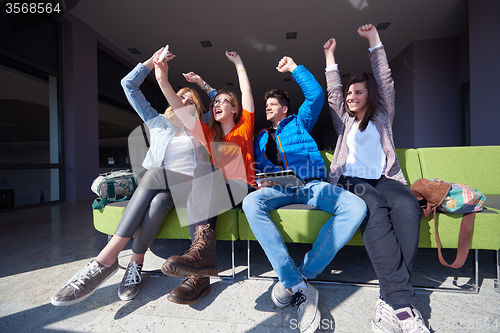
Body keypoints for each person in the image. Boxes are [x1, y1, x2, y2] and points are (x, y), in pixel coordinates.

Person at [51, 48, 207, 306]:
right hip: (158, 189)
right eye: (180, 97)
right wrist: (151, 62)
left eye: (190, 101)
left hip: (186, 186)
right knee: (157, 201)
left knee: (155, 173)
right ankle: (135, 265)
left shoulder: (199, 128)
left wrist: (176, 82)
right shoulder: (156, 121)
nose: (184, 102)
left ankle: (106, 259)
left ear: (197, 109)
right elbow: (128, 85)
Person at [242, 56, 367, 333]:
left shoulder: (300, 122)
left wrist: (294, 69)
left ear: (285, 109)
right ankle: (294, 281)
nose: (267, 108)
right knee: (251, 202)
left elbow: (316, 94)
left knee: (356, 207)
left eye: (272, 105)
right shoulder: (260, 137)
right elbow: (254, 168)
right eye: (266, 105)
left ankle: (300, 276)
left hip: (311, 185)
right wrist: (262, 181)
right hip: (280, 188)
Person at [323, 24, 430, 333]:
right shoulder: (344, 122)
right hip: (351, 180)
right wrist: (330, 57)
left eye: (358, 91)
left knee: (407, 204)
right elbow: (332, 93)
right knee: (372, 206)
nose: (351, 96)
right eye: (349, 92)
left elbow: (386, 81)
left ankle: (389, 301)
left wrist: (374, 42)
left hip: (385, 179)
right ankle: (404, 306)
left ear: (370, 95)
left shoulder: (383, 117)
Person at [154, 50, 255, 304]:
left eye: (223, 101)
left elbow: (247, 93)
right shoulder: (209, 135)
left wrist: (239, 63)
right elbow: (181, 109)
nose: (217, 104)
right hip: (218, 189)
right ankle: (198, 270)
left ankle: (198, 269)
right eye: (215, 102)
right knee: (202, 174)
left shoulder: (245, 126)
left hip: (243, 188)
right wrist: (162, 80)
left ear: (234, 108)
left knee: (204, 175)